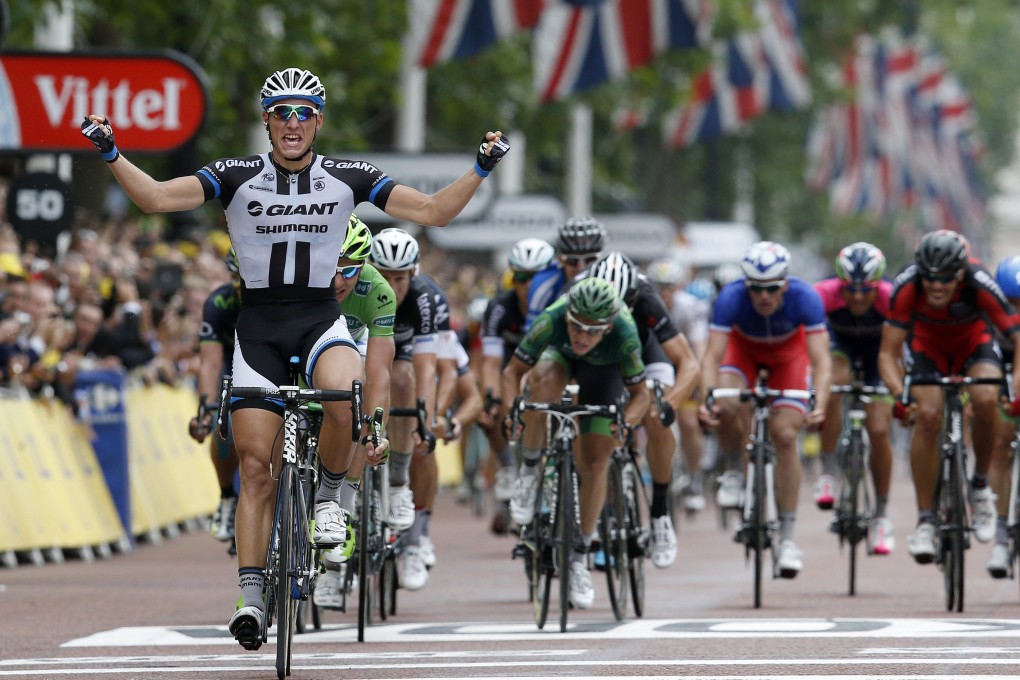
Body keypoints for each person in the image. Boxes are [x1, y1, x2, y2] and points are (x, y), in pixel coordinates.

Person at [81, 66, 509, 650]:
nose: (292, 122)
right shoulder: (233, 176)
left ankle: (331, 497)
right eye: (281, 111)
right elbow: (155, 198)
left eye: (304, 112)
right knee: (256, 471)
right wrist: (111, 152)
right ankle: (252, 598)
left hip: (317, 319)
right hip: (257, 327)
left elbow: (432, 211)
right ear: (266, 119)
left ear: (319, 122)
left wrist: (481, 168)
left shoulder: (348, 177)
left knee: (344, 394)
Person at [503, 276, 650, 609]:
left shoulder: (625, 334)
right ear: (567, 316)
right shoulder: (552, 318)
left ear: (609, 327)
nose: (582, 336)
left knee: (597, 461)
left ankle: (580, 556)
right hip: (561, 362)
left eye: (592, 330)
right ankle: (529, 471)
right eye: (576, 327)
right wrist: (514, 410)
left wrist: (628, 422)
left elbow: (640, 395)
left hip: (605, 373)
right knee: (544, 380)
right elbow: (512, 372)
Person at [878, 230, 1020, 566]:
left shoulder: (980, 282)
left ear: (961, 273)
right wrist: (900, 396)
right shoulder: (907, 286)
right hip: (928, 347)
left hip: (974, 343)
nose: (936, 287)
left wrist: (1016, 391)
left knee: (986, 399)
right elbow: (887, 353)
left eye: (945, 280)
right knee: (927, 415)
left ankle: (981, 485)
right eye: (930, 279)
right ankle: (926, 519)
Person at [699, 241, 831, 578]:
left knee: (785, 436)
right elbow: (712, 357)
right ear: (746, 285)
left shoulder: (806, 298)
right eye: (756, 289)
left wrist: (821, 403)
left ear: (785, 283)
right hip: (742, 354)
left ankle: (787, 538)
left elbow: (821, 360)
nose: (764, 297)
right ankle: (732, 468)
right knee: (728, 403)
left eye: (772, 288)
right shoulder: (730, 298)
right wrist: (708, 399)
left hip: (789, 357)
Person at [588, 252, 699, 568]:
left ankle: (661, 513)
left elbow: (689, 363)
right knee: (599, 429)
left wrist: (670, 403)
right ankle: (607, 517)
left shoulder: (648, 297)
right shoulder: (580, 292)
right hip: (602, 357)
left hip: (645, 352)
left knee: (655, 414)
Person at [313, 215, 396, 609]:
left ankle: (342, 505)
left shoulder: (378, 291)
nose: (338, 279)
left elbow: (379, 371)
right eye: (329, 266)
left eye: (349, 269)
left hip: (356, 349)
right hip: (308, 343)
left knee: (360, 405)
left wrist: (375, 427)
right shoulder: (300, 277)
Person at [368, 227, 444, 591]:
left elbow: (428, 366)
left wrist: (423, 418)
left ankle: (398, 481)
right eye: (384, 276)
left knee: (403, 379)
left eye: (399, 278)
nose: (392, 286)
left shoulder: (424, 298)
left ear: (412, 274)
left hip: (406, 358)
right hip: (365, 351)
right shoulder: (357, 287)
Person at [812, 242, 896, 554]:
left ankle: (882, 517)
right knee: (834, 383)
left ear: (879, 285)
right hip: (840, 349)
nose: (858, 297)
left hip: (880, 357)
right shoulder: (822, 295)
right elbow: (811, 342)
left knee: (877, 429)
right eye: (851, 290)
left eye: (866, 290)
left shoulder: (892, 299)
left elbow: (904, 347)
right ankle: (829, 471)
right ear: (839, 284)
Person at [478, 238, 557, 532]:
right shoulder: (500, 307)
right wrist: (491, 399)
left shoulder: (558, 303)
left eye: (536, 277)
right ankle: (508, 465)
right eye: (520, 277)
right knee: (492, 409)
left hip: (549, 363)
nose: (528, 285)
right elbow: (489, 362)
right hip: (510, 364)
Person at [646, 258, 710, 514]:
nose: (664, 293)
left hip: (682, 364)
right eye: (659, 287)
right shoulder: (646, 306)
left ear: (678, 287)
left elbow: (699, 352)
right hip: (654, 364)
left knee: (689, 423)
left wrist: (700, 388)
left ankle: (694, 478)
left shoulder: (689, 307)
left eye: (669, 287)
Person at [188, 249, 242, 543]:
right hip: (228, 363)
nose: (240, 285)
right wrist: (207, 411)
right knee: (224, 423)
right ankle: (226, 496)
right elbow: (209, 363)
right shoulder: (219, 302)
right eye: (235, 277)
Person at [987, 255, 1020, 578]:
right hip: (1000, 374)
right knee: (1000, 443)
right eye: (1012, 303)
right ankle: (1000, 535)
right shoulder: (987, 313)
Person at [524, 218, 606, 329]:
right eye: (572, 260)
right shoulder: (543, 285)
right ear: (560, 259)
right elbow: (531, 336)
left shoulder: (611, 279)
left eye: (590, 259)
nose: (581, 267)